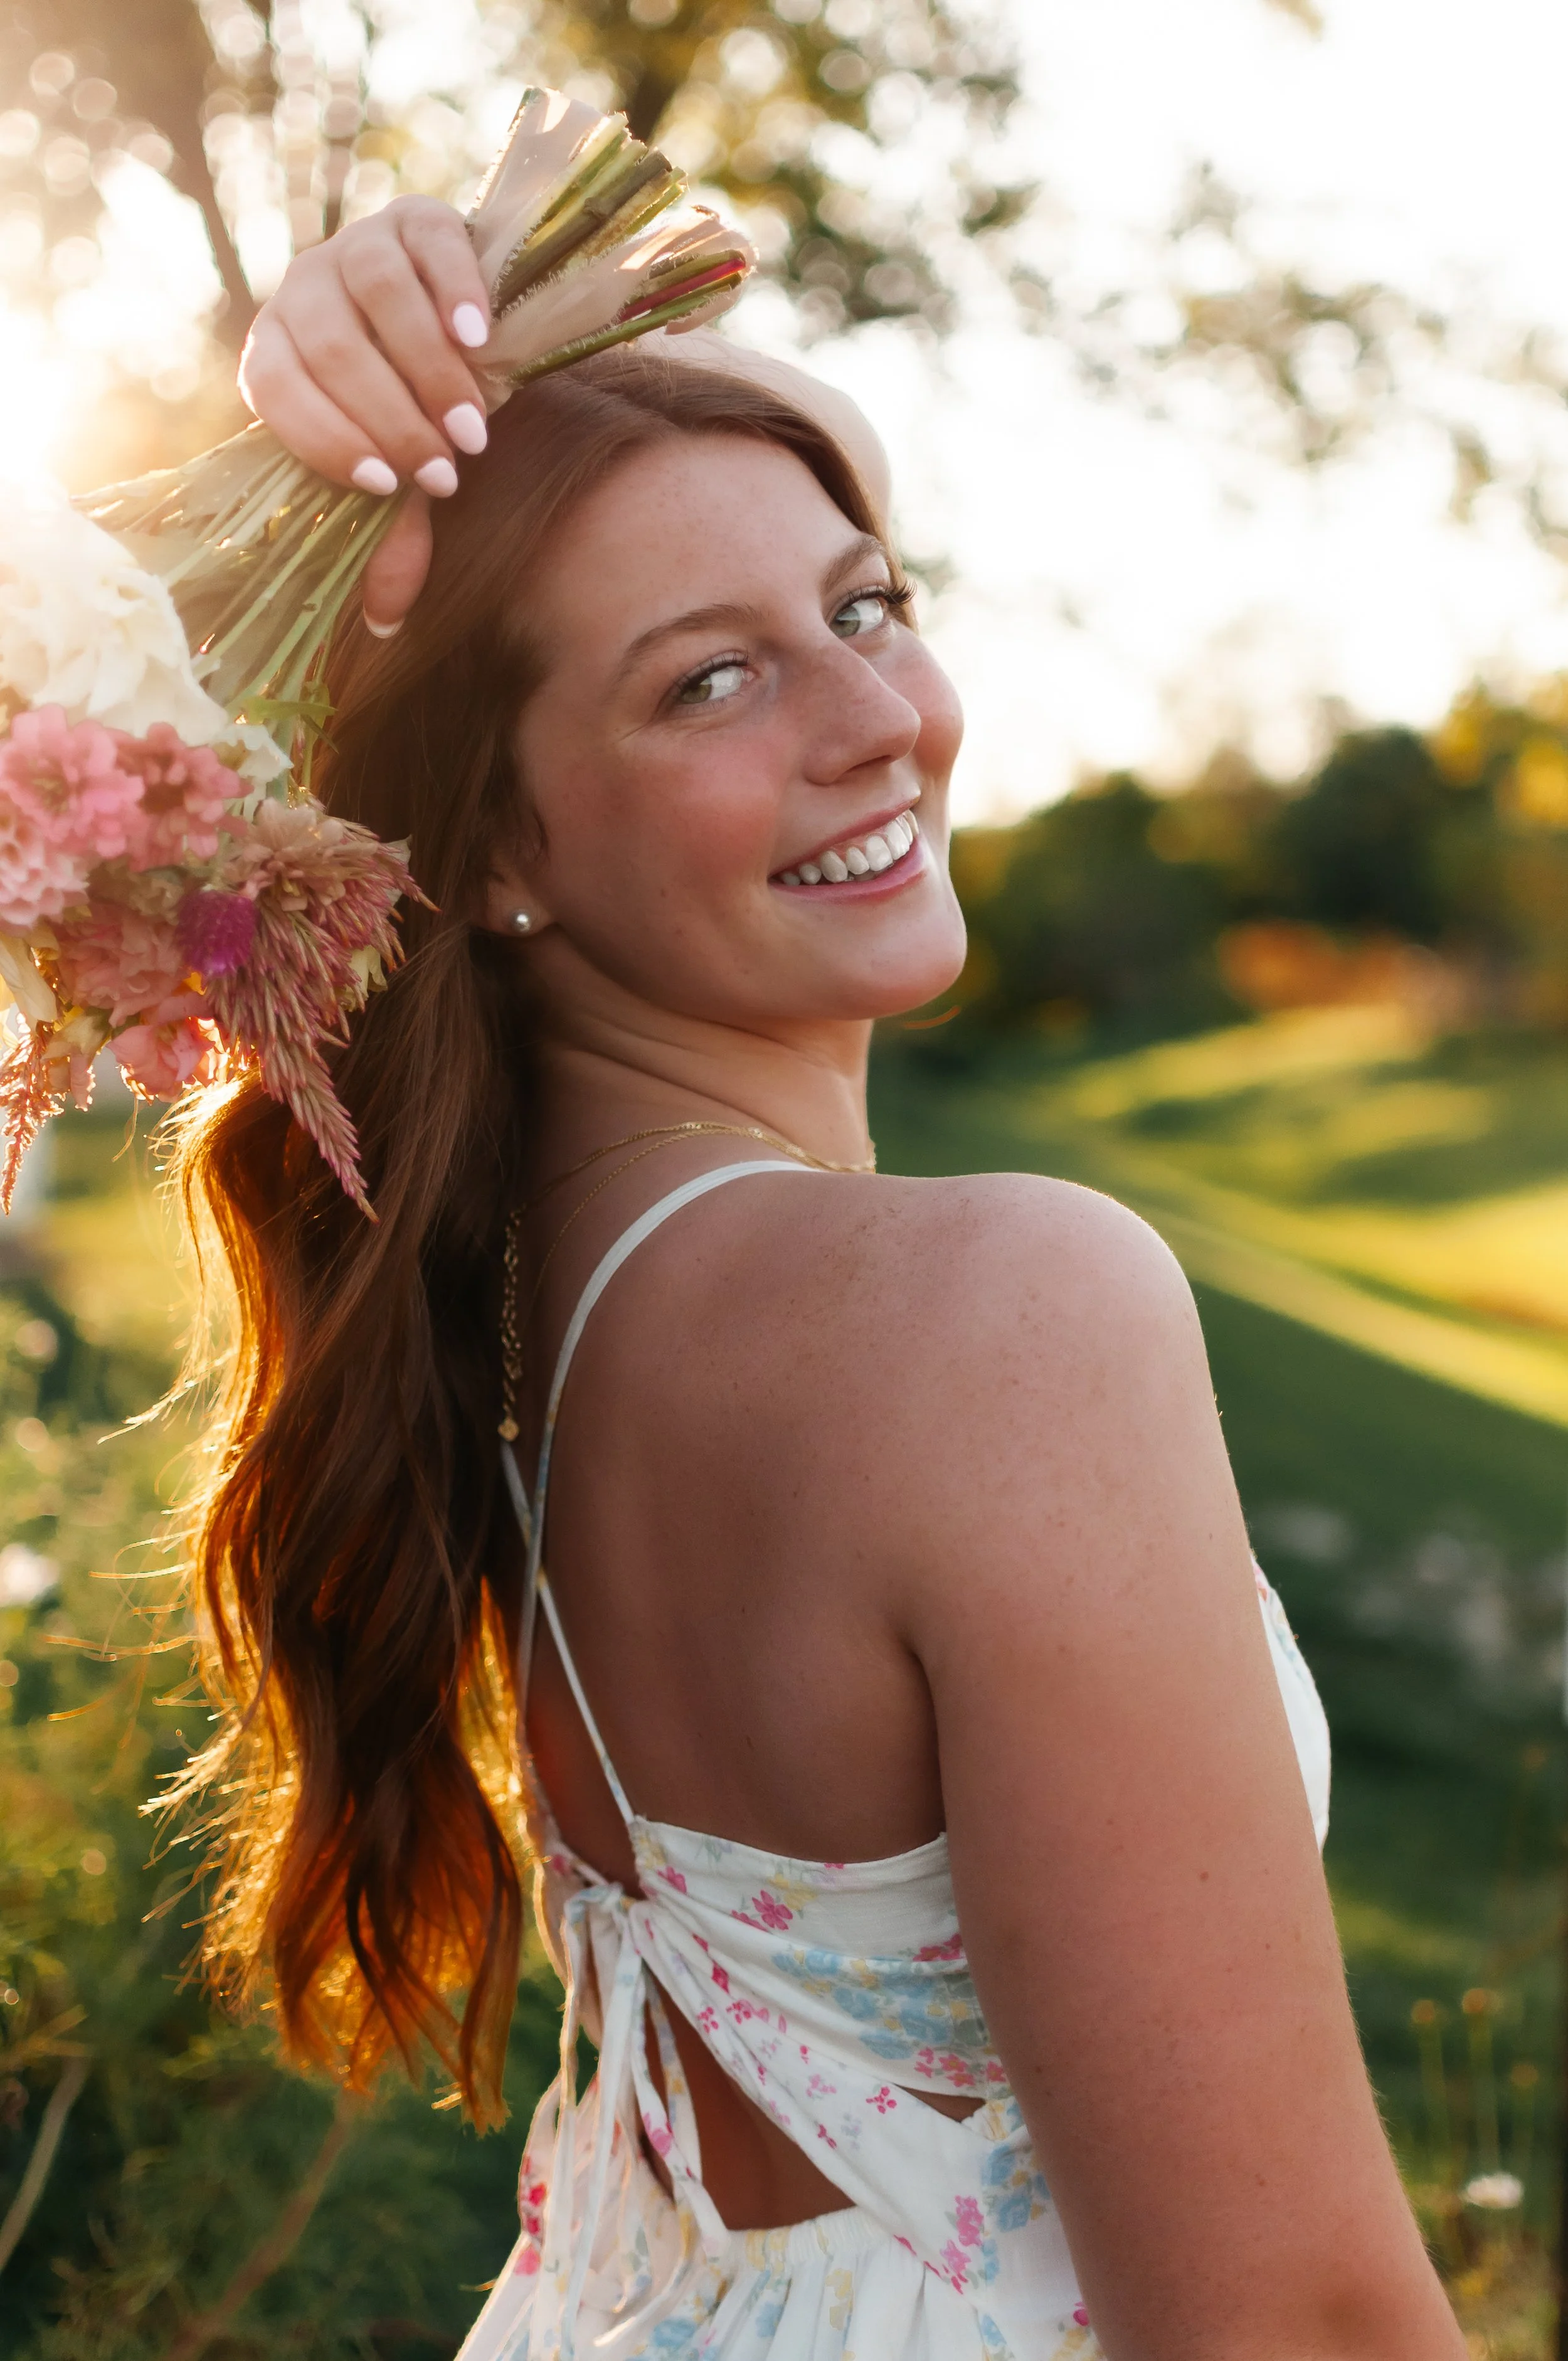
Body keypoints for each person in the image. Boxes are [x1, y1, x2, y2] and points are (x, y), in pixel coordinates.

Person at [185, 191, 1469, 2360]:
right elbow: (1287, 2323)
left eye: (869, 603)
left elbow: (727, 422)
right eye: (712, 679)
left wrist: (402, 361)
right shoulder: (988, 1313)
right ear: (495, 850)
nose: (876, 716)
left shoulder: (536, 1325)